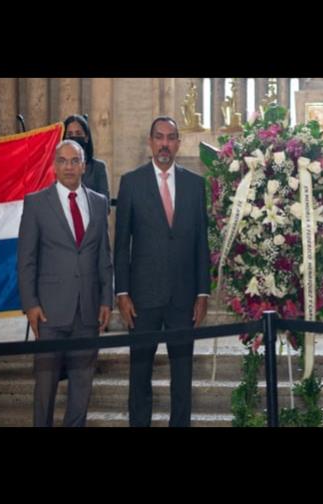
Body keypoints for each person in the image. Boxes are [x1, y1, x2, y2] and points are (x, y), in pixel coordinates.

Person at [114, 116, 210, 427]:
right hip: (142, 298)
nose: (165, 143)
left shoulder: (196, 185)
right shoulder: (131, 182)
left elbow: (201, 243)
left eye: (171, 137)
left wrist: (202, 292)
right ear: (150, 142)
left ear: (179, 143)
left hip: (183, 297)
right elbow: (121, 243)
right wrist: (122, 292)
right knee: (139, 375)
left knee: (182, 378)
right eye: (159, 137)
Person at [17, 139, 113, 427]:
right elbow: (26, 260)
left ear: (84, 166)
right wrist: (31, 304)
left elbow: (103, 257)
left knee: (81, 391)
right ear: (54, 165)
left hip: (88, 312)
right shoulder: (36, 203)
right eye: (63, 160)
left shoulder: (98, 202)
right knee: (44, 390)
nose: (69, 167)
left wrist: (106, 299)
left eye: (75, 161)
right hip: (49, 313)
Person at [63, 114, 110, 204]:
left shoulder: (98, 167)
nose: (74, 137)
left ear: (86, 137)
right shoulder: (56, 167)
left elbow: (105, 204)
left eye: (78, 133)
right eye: (70, 134)